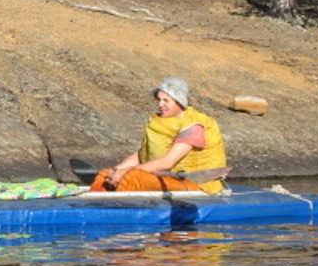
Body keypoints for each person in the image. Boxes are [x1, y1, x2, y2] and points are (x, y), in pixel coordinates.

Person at [90, 76, 228, 193]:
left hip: (197, 185)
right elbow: (142, 154)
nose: (160, 104)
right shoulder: (162, 121)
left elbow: (168, 162)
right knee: (105, 174)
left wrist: (124, 173)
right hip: (166, 178)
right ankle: (90, 206)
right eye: (159, 100)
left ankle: (117, 212)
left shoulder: (194, 125)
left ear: (179, 102)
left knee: (132, 177)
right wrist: (117, 170)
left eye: (166, 100)